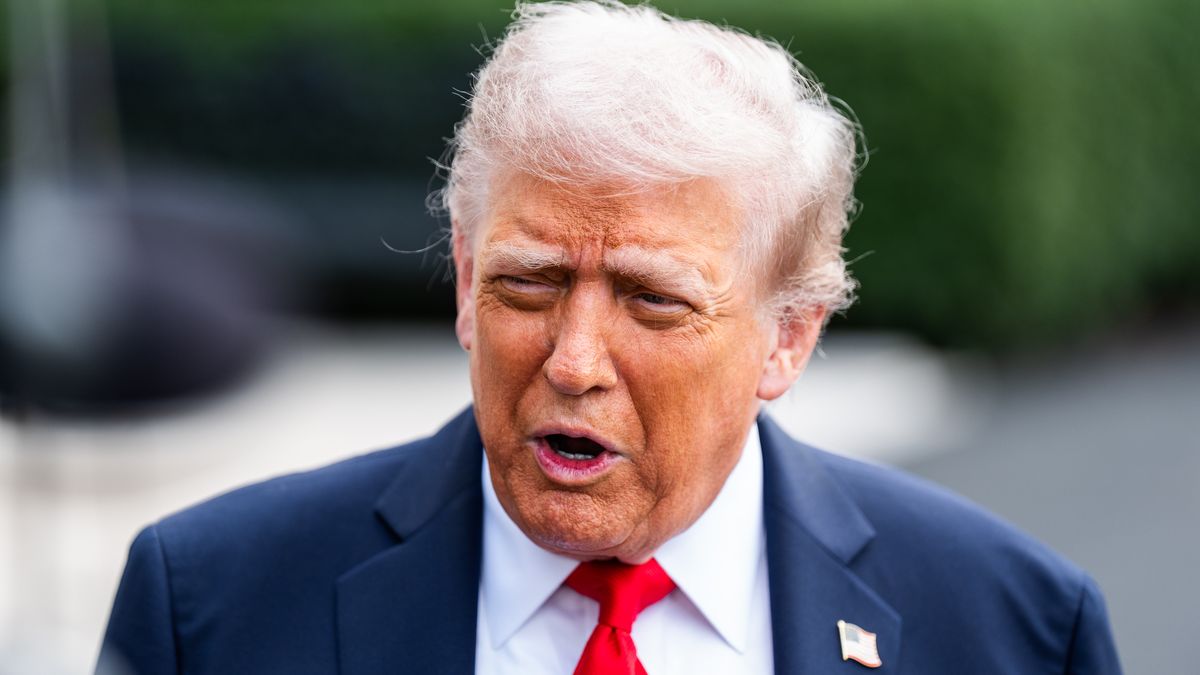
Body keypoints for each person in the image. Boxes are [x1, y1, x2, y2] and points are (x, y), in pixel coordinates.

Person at [97, 2, 1122, 673]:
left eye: (652, 300)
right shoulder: (212, 606)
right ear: (465, 280)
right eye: (528, 283)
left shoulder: (1011, 628)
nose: (575, 360)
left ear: (789, 337)